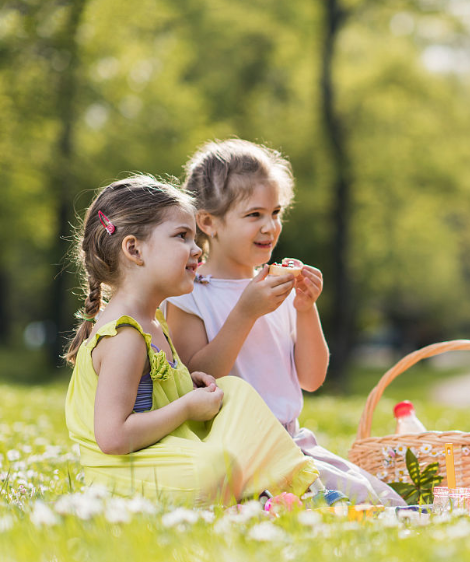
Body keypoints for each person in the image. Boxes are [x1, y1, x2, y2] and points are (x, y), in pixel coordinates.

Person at [164, 139, 403, 505]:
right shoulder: (190, 293)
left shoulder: (278, 285)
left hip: (292, 443)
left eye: (276, 212)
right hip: (235, 447)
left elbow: (312, 378)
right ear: (208, 222)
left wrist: (306, 309)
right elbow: (197, 381)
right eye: (254, 215)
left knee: (382, 500)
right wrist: (245, 312)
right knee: (338, 506)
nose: (270, 227)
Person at [64, 175, 319, 505]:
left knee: (236, 392)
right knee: (214, 466)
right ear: (134, 249)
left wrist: (186, 384)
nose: (197, 249)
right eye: (182, 237)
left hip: (164, 450)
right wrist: (186, 407)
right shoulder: (125, 336)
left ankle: (280, 486)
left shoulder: (153, 321)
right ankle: (269, 492)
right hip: (126, 470)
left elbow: (152, 398)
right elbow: (113, 438)